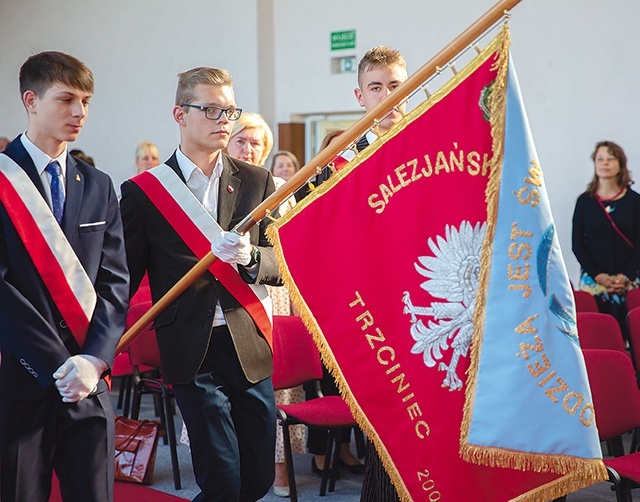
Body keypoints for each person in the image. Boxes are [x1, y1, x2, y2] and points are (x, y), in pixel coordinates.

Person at [120, 67, 282, 502]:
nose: (223, 120)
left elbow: (281, 265)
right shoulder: (144, 192)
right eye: (210, 109)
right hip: (191, 347)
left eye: (229, 109)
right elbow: (125, 275)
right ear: (180, 114)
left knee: (258, 478)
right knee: (222, 479)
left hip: (249, 340)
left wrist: (250, 258)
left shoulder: (256, 181)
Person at [0, 51, 129, 501]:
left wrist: (94, 361)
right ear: (31, 100)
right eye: (67, 99)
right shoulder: (2, 178)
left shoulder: (98, 184)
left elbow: (115, 283)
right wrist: (61, 363)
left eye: (87, 101)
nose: (80, 113)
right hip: (19, 378)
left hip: (89, 384)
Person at [315, 45, 408, 502]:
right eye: (377, 87)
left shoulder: (435, 145)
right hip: (369, 316)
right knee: (385, 431)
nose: (387, 95)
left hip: (429, 311)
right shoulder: (335, 166)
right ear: (360, 95)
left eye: (395, 85)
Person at [223, 115, 304, 498]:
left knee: (276, 389)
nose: (248, 149)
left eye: (256, 143)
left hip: (272, 294)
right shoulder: (219, 187)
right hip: (225, 302)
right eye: (241, 141)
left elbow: (291, 253)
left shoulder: (279, 192)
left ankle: (279, 466)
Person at [572, 140, 640, 332]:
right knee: (598, 333)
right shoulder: (584, 202)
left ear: (620, 164)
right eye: (600, 159)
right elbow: (577, 244)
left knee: (632, 334)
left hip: (629, 281)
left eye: (610, 159)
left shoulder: (635, 201)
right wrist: (598, 275)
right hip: (594, 282)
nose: (605, 163)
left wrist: (626, 276)